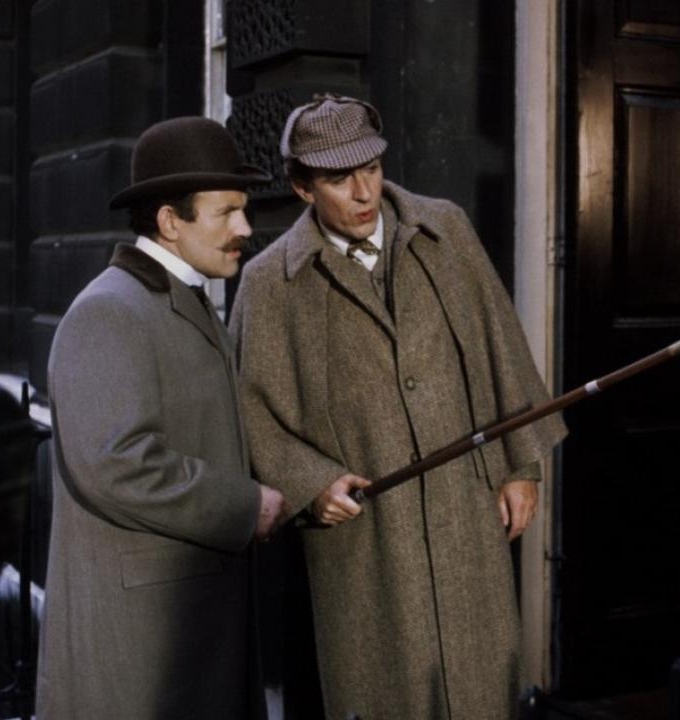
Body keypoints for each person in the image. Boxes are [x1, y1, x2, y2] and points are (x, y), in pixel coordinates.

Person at [230, 95, 567, 720]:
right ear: (302, 188)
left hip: (466, 513)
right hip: (367, 542)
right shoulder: (270, 283)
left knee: (482, 684)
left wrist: (521, 467)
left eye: (372, 168)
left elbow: (501, 344)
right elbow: (252, 413)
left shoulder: (447, 230)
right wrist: (312, 484)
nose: (363, 192)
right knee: (388, 692)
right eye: (339, 179)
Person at [37, 116, 287, 719]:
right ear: (171, 222)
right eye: (226, 212)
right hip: (143, 651)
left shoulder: (181, 299)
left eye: (244, 211)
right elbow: (117, 464)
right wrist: (245, 506)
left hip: (188, 631)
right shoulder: (109, 312)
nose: (245, 229)